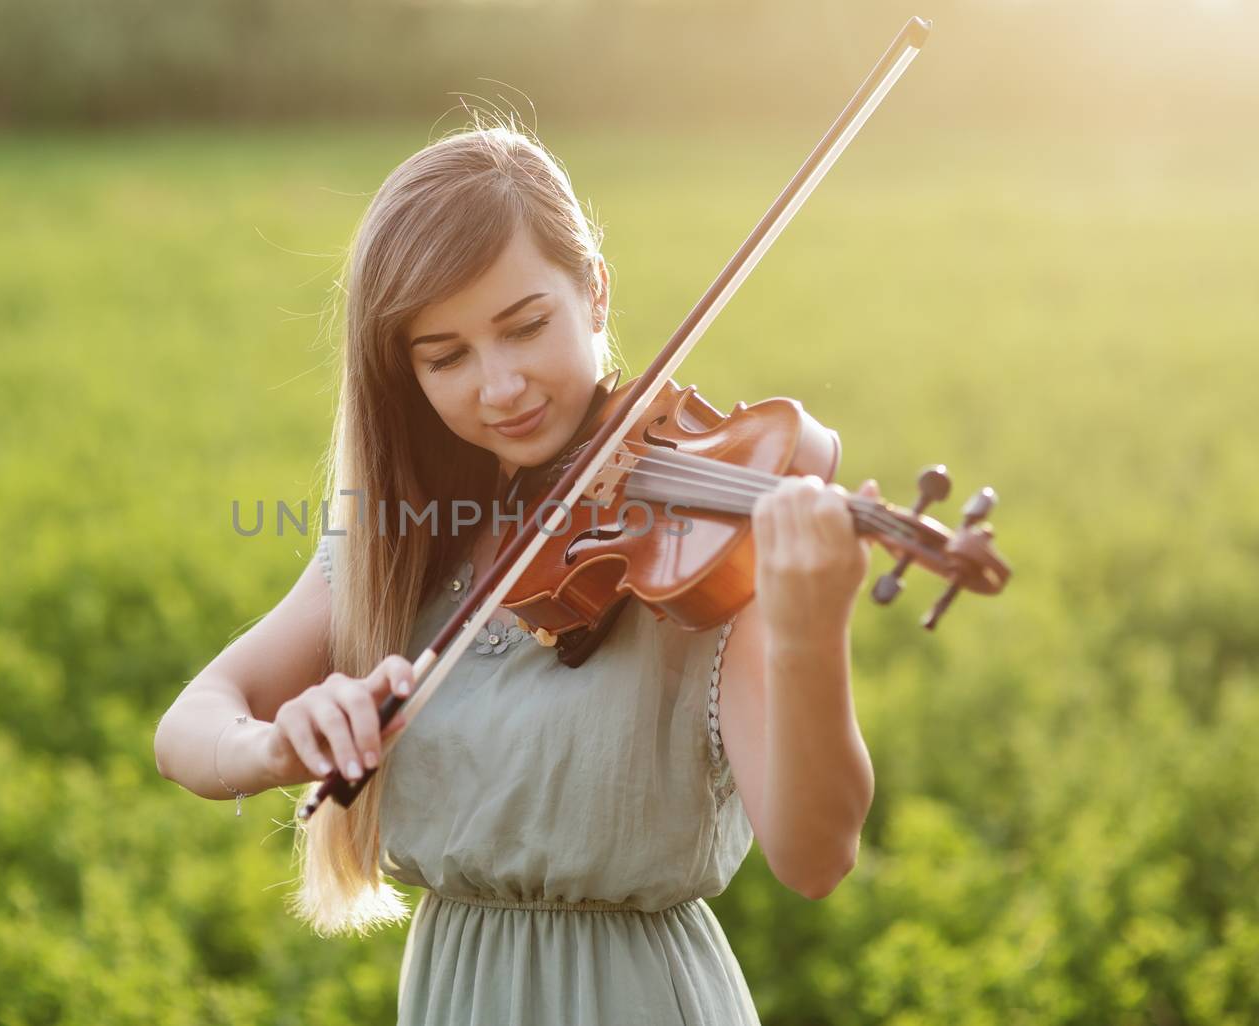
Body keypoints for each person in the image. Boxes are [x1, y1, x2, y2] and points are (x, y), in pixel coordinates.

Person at [154, 116, 880, 1025]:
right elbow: (186, 729)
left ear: (597, 296)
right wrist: (273, 746)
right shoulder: (402, 544)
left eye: (525, 326)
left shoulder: (704, 553)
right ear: (402, 375)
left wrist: (811, 631)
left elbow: (817, 857)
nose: (498, 387)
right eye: (445, 356)